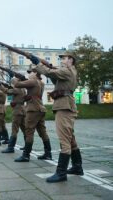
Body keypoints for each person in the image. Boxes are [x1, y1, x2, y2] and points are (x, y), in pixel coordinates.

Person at [31, 52, 83, 183]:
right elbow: (55, 79)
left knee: (64, 140)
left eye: (64, 58)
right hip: (65, 105)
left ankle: (61, 173)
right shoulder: (68, 71)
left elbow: (50, 73)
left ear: (71, 60)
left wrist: (37, 63)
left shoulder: (67, 70)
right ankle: (77, 166)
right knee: (70, 139)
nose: (61, 60)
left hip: (64, 107)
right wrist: (42, 65)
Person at [13, 71, 52, 162]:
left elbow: (17, 84)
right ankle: (48, 153)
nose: (29, 74)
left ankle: (26, 155)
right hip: (40, 108)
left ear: (35, 74)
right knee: (42, 131)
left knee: (29, 131)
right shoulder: (41, 82)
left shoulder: (33, 81)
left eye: (30, 72)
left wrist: (14, 77)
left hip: (33, 109)